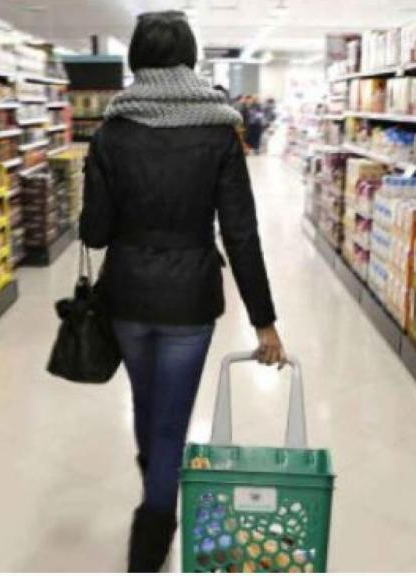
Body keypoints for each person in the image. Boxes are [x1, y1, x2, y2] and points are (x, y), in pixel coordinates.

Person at [78, 10, 284, 572]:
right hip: (191, 298)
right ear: (190, 57)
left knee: (149, 408)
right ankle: (150, 540)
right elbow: (240, 232)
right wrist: (264, 320)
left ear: (135, 59)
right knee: (169, 417)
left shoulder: (111, 131)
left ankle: (156, 501)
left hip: (127, 293)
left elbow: (94, 232)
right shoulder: (219, 129)